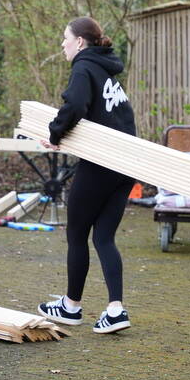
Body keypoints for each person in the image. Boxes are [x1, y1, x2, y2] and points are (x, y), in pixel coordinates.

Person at [37, 17, 136, 334]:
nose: (62, 44)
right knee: (104, 237)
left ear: (80, 41)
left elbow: (76, 105)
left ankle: (71, 306)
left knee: (76, 234)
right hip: (125, 167)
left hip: (101, 165)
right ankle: (115, 310)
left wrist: (55, 135)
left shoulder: (83, 67)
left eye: (65, 38)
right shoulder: (107, 71)